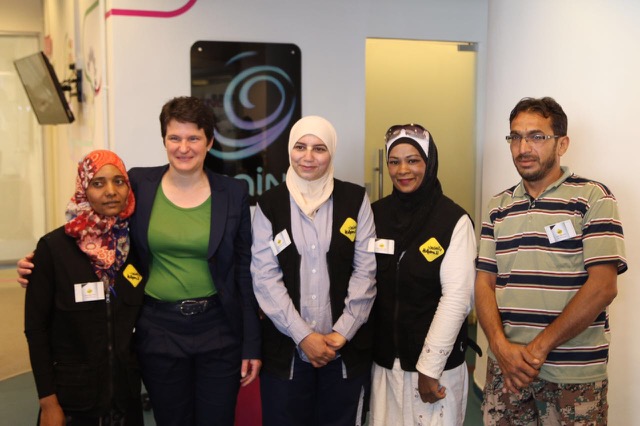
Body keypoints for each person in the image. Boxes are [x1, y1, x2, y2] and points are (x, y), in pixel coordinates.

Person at [19, 96, 261, 426]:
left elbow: (244, 271)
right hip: (159, 329)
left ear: (209, 142)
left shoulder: (232, 192)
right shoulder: (139, 184)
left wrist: (252, 343)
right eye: (175, 137)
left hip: (218, 328)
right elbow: (96, 225)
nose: (184, 147)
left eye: (193, 138)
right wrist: (42, 262)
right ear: (164, 140)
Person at [475, 97, 628, 425]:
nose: (523, 148)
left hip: (573, 377)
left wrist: (536, 350)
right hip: (507, 371)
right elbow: (484, 283)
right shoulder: (497, 206)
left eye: (537, 137)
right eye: (515, 137)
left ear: (562, 144)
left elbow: (603, 287)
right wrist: (500, 348)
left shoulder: (593, 198)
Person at [250, 115, 377, 426]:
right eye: (300, 147)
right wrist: (303, 336)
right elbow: (265, 278)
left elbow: (366, 271)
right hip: (286, 353)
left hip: (343, 351)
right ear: (289, 151)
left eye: (319, 148)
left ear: (331, 152)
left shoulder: (355, 200)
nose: (308, 157)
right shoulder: (270, 204)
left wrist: (341, 333)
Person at [24, 150, 144, 425]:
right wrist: (47, 402)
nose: (111, 191)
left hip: (126, 399)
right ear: (83, 189)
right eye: (98, 183)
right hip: (73, 400)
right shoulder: (54, 249)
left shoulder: (136, 248)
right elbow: (36, 329)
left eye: (119, 181)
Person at [368, 124, 477, 426]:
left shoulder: (453, 220)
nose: (402, 170)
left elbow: (457, 298)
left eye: (413, 160)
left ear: (429, 163)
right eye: (394, 161)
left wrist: (429, 367)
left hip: (435, 371)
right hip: (384, 365)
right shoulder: (375, 215)